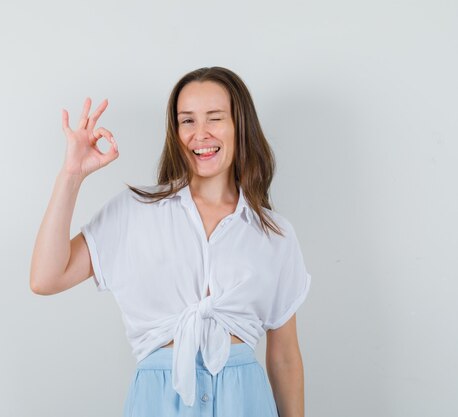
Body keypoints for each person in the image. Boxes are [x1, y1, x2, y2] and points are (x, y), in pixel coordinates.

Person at [30, 66, 312, 417]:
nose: (201, 134)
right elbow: (46, 278)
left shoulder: (274, 233)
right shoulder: (134, 211)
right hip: (158, 403)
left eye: (215, 118)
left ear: (241, 126)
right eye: (187, 121)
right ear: (175, 131)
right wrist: (71, 176)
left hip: (246, 403)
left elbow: (285, 357)